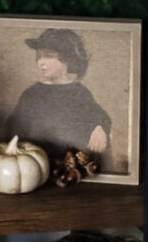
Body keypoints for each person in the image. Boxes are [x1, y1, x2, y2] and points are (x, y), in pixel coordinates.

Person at [7, 27, 111, 157]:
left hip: (71, 161)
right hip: (37, 158)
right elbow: (14, 127)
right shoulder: (31, 94)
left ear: (67, 60)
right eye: (38, 57)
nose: (41, 62)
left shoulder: (79, 92)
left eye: (49, 56)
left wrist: (99, 127)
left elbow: (97, 114)